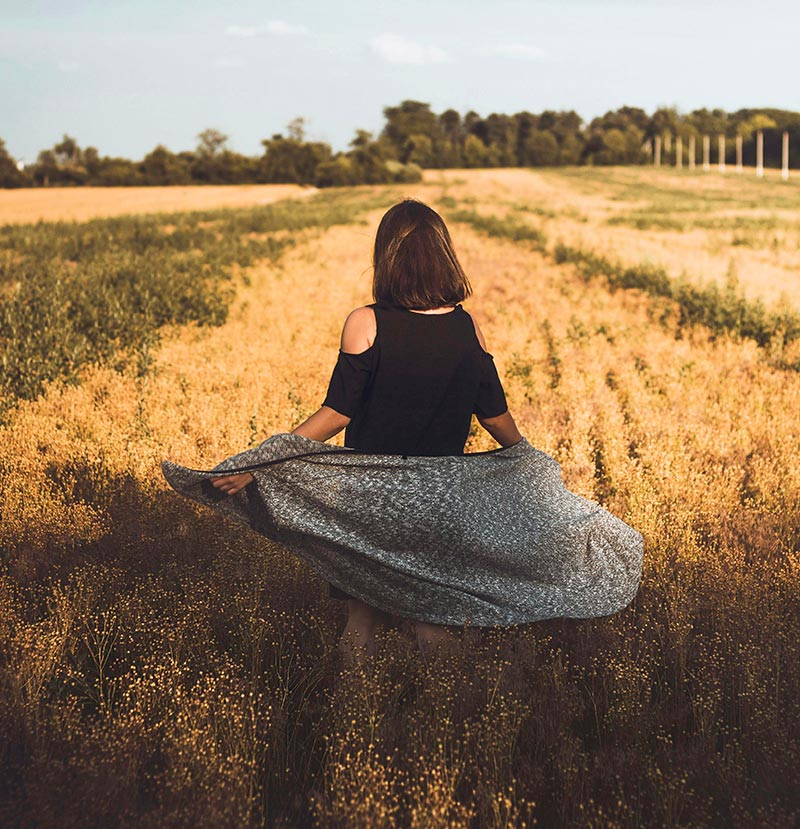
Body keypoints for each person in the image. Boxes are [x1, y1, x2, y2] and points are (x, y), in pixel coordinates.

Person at [210, 198, 523, 666]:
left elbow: (335, 414)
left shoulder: (367, 322)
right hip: (439, 500)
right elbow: (495, 417)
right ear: (444, 256)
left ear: (387, 257)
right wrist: (529, 458)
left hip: (370, 497)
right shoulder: (466, 328)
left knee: (362, 620)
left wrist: (261, 462)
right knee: (428, 620)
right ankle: (449, 718)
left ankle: (353, 718)